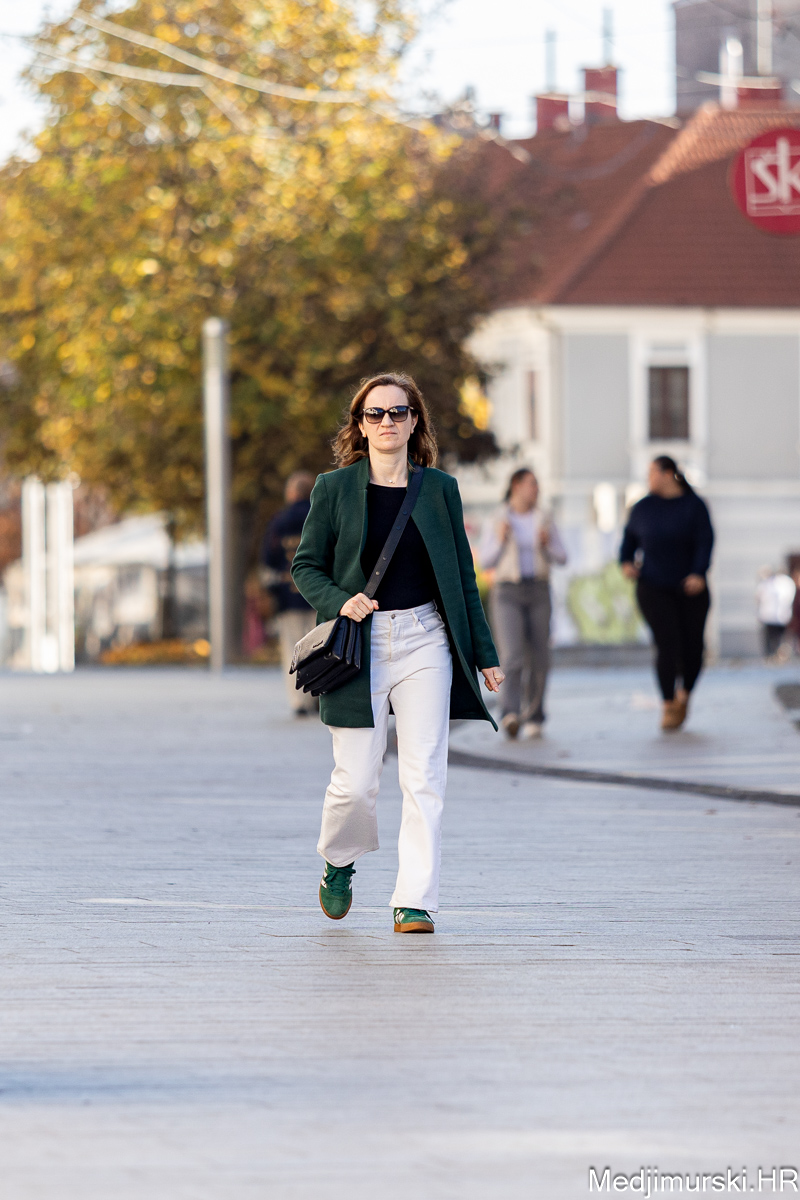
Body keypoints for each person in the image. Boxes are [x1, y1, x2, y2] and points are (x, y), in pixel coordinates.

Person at [291, 372, 503, 935]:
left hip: (425, 638)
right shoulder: (333, 489)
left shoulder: (439, 490)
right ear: (360, 426)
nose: (387, 421)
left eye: (398, 412)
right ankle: (339, 860)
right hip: (358, 644)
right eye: (375, 413)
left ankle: (414, 900)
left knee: (425, 775)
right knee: (356, 780)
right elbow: (305, 566)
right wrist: (341, 602)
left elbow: (462, 576)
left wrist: (484, 653)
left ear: (415, 422)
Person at [620, 456, 714, 731]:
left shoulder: (694, 506)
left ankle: (684, 695)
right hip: (653, 587)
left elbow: (705, 542)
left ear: (668, 473)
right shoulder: (642, 508)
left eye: (653, 472)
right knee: (667, 644)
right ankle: (668, 703)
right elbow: (628, 543)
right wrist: (626, 563)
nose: (648, 478)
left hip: (690, 588)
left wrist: (698, 572)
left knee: (693, 648)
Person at [479, 468, 567, 739]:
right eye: (532, 484)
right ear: (516, 485)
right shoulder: (498, 518)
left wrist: (548, 543)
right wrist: (501, 538)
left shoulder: (545, 518)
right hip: (507, 591)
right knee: (513, 656)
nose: (536, 489)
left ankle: (535, 715)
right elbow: (486, 561)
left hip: (538, 589)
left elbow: (562, 557)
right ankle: (510, 713)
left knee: (540, 656)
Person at [261, 471, 318, 716]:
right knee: (319, 648)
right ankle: (318, 696)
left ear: (292, 493)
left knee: (292, 649)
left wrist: (273, 591)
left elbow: (269, 559)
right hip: (318, 595)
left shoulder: (279, 520)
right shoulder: (319, 516)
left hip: (288, 597)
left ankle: (299, 701)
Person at [755, 568, 796, 660]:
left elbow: (759, 598)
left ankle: (775, 654)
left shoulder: (768, 583)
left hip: (774, 615)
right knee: (776, 637)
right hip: (776, 615)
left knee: (774, 637)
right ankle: (775, 654)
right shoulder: (787, 582)